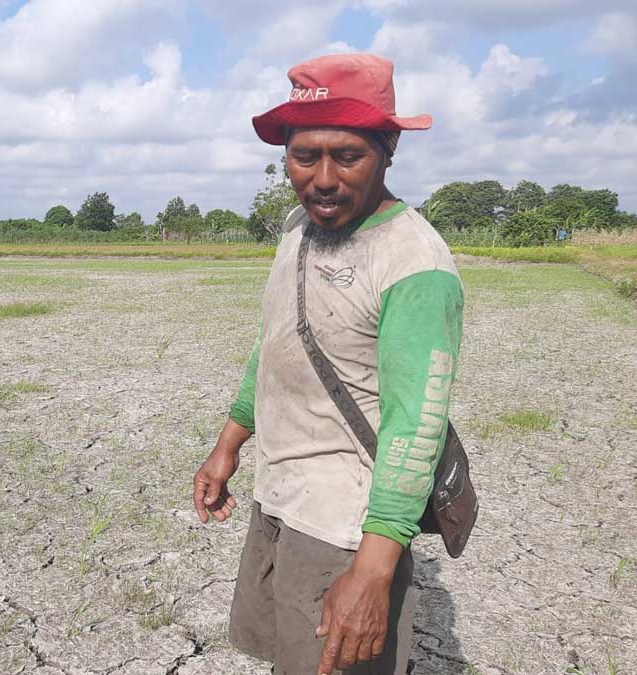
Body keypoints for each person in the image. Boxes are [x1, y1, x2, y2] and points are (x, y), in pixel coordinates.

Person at [192, 53, 464, 675]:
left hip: (344, 522)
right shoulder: (298, 226)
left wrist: (372, 569)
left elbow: (415, 426)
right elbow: (278, 340)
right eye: (303, 155)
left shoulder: (413, 265)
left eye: (347, 155)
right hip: (281, 493)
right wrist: (229, 444)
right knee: (283, 656)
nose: (321, 178)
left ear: (388, 148)